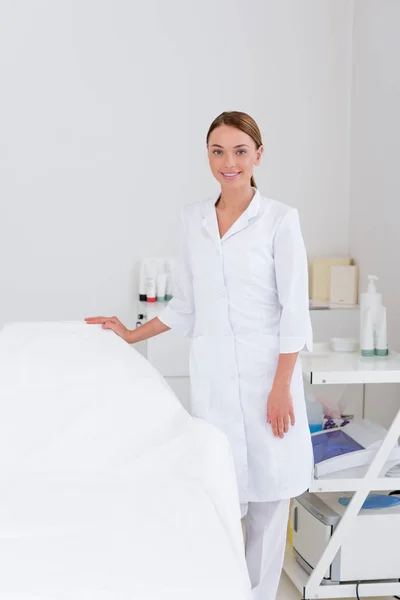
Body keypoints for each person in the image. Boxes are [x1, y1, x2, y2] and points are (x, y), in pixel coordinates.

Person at [85, 111, 313, 600]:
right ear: (207, 156)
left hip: (269, 383)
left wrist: (279, 388)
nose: (228, 162)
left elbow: (294, 314)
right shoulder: (193, 220)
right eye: (217, 151)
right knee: (220, 500)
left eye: (239, 151)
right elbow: (187, 307)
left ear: (258, 155)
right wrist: (130, 335)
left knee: (271, 505)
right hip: (214, 386)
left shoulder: (279, 220)